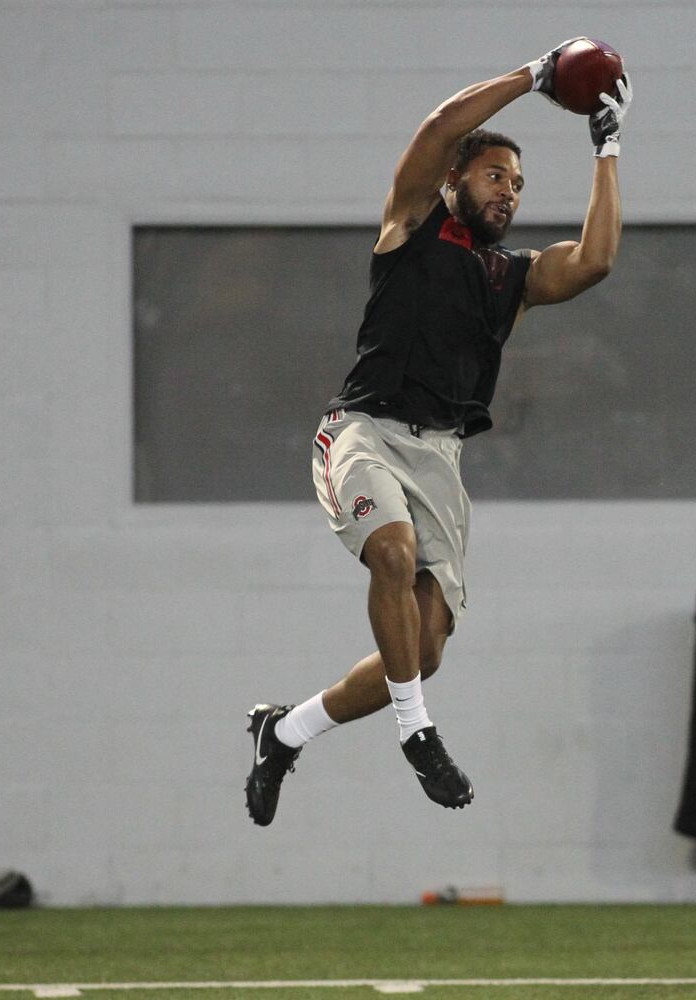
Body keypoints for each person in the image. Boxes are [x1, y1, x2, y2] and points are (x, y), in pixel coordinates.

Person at [246, 40, 632, 825]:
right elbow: (436, 128)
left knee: (418, 653)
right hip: (362, 433)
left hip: (440, 456)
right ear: (455, 180)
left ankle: (283, 732)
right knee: (388, 555)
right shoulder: (411, 226)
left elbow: (593, 260)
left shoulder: (512, 277)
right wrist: (535, 77)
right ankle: (415, 733)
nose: (509, 193)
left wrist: (608, 146)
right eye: (496, 175)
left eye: (519, 185)